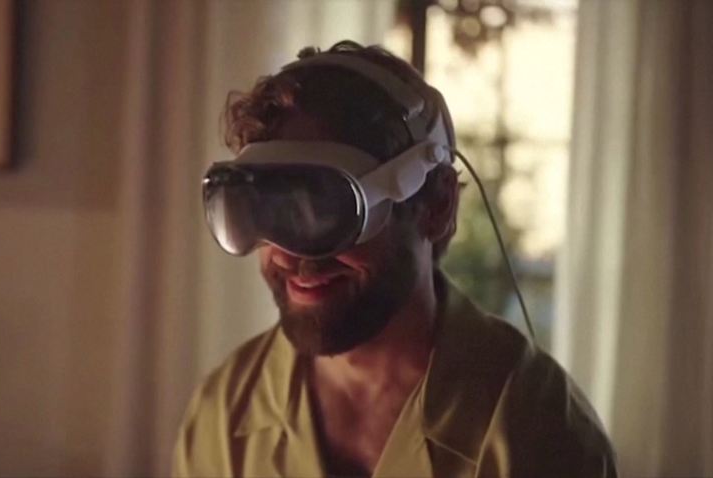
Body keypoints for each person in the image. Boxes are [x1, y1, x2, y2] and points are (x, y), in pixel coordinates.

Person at [173, 40, 617, 477]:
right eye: (267, 212)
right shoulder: (224, 416)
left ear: (437, 205)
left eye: (328, 209)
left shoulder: (539, 434)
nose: (291, 255)